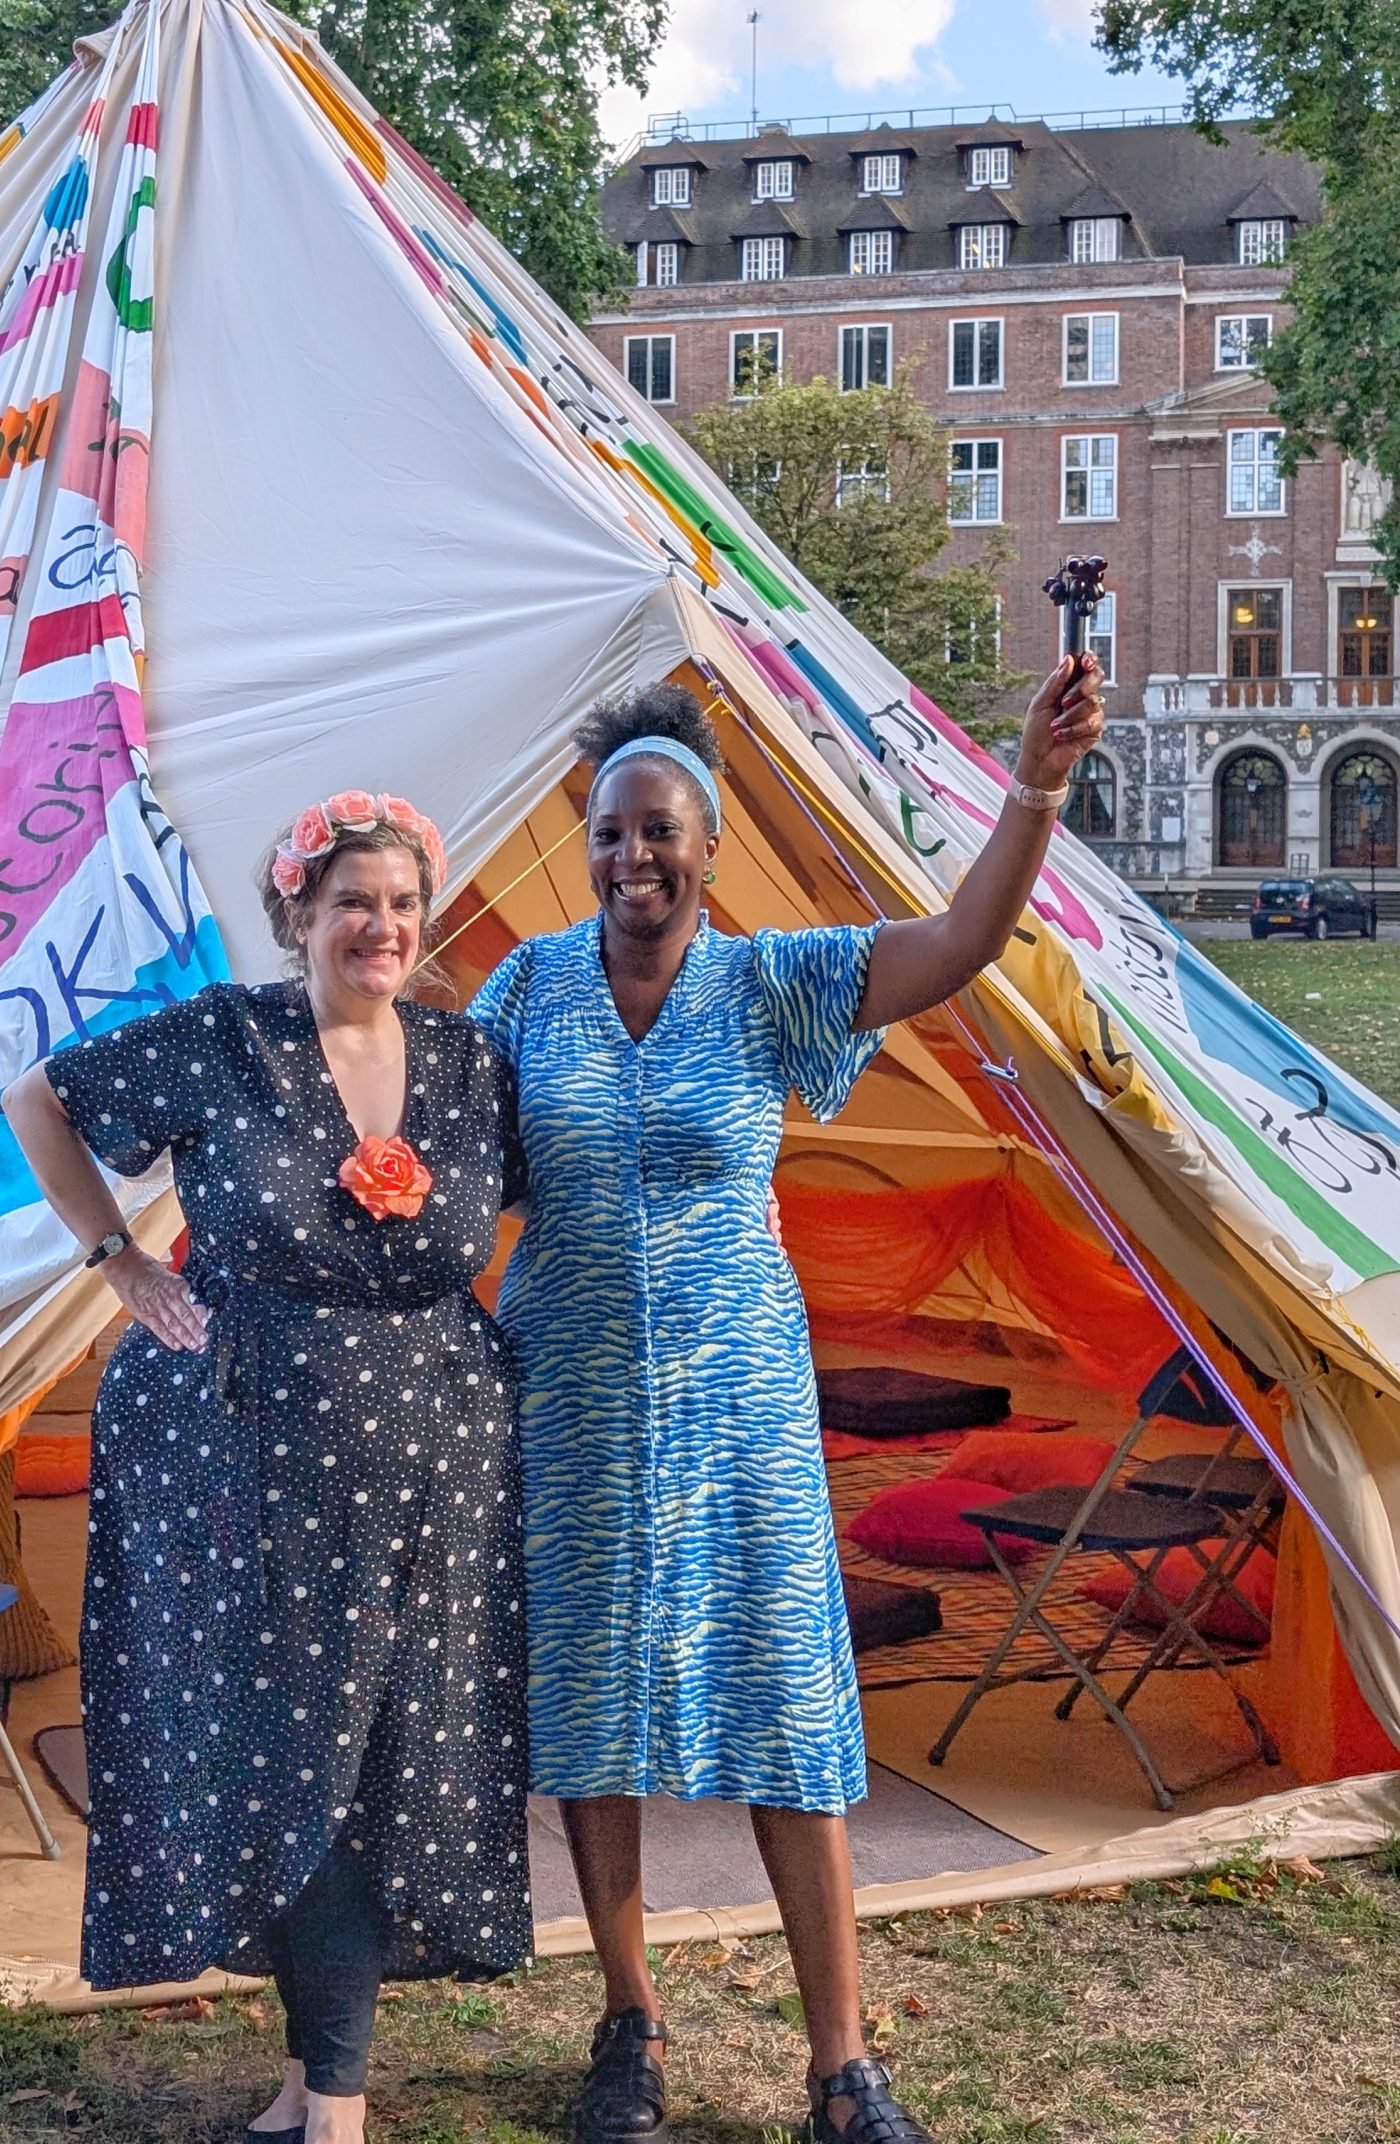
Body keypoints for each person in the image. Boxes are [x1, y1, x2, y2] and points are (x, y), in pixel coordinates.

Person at [469, 656, 1106, 2144]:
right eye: (612, 830)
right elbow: (436, 1149)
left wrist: (1038, 788)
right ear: (591, 842)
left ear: (708, 844)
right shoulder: (523, 988)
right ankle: (628, 2019)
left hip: (737, 1404)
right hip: (567, 1396)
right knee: (591, 1714)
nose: (635, 854)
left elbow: (958, 940)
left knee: (789, 1704)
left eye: (662, 830)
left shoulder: (772, 981)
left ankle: (842, 2063)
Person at [4, 791, 531, 2144]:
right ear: (296, 912)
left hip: (433, 1473)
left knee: (384, 1764)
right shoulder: (226, 1039)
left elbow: (567, 1184)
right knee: (284, 1760)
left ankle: (322, 2087)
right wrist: (112, 1256)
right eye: (354, 900)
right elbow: (36, 1099)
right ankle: (333, 2097)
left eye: (404, 904)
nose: (383, 926)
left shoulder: (472, 1061)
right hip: (245, 1465)